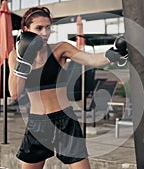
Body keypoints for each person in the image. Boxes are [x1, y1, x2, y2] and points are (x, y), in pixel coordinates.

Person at [8, 6, 127, 169]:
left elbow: (91, 60)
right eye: (39, 28)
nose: (44, 33)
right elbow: (15, 92)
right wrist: (24, 60)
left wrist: (114, 53)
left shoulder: (60, 49)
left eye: (48, 28)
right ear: (26, 29)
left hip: (65, 121)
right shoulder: (15, 55)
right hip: (37, 124)